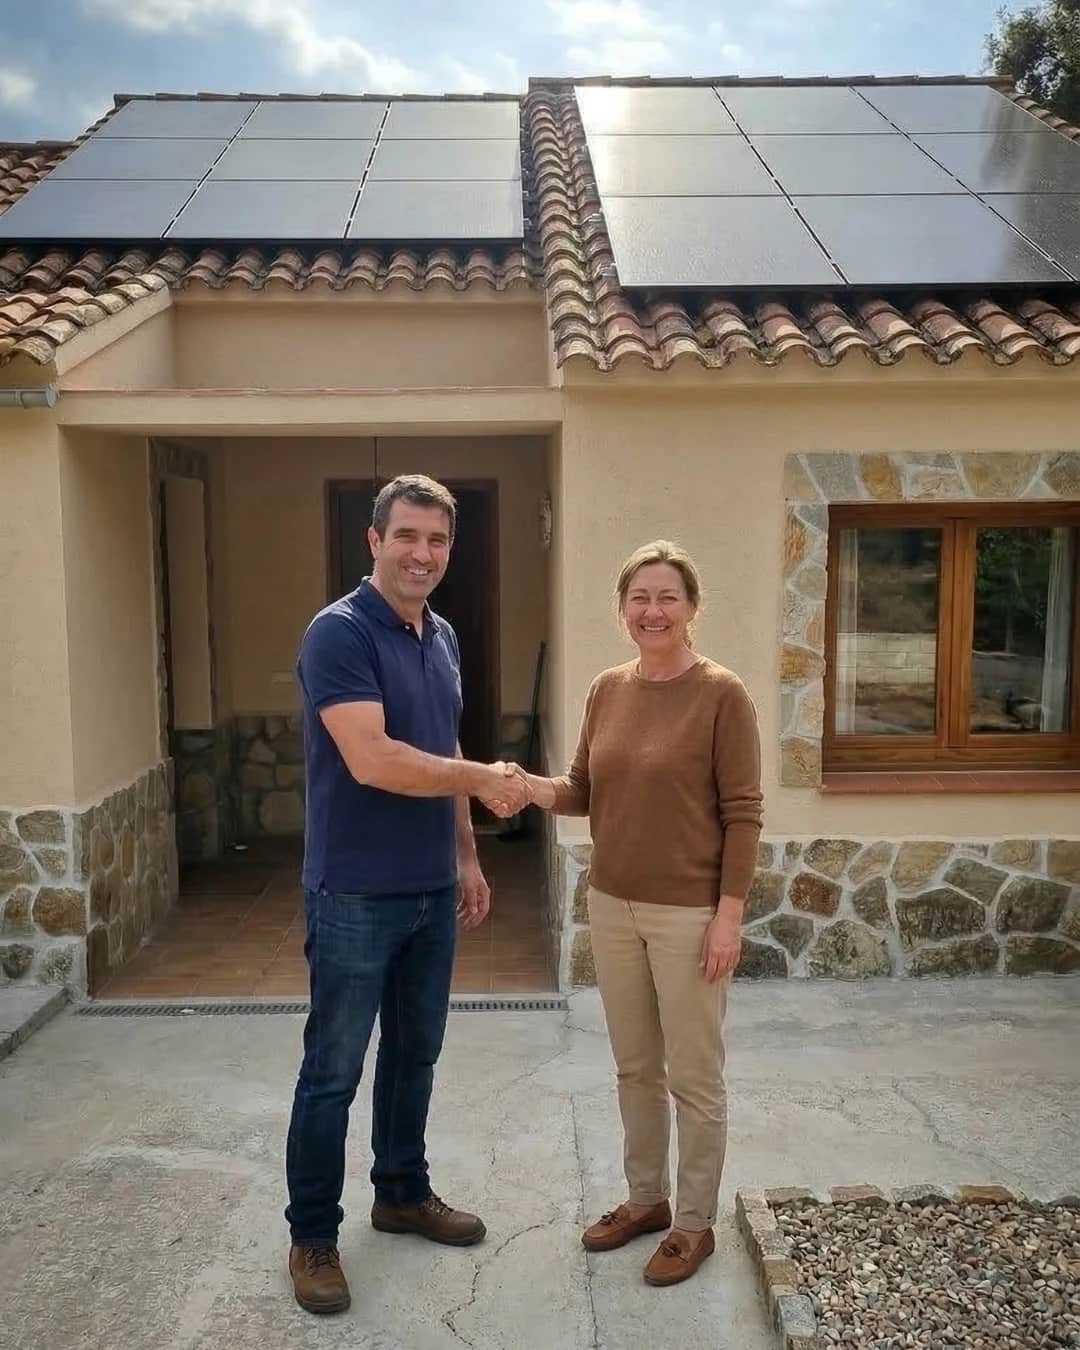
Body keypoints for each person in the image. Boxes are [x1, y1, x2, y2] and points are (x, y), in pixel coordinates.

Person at [285, 473, 528, 1316]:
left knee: (414, 1055)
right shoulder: (339, 635)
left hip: (429, 889)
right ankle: (313, 1234)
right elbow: (377, 759)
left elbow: (441, 739)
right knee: (332, 1072)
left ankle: (401, 1192)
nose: (422, 553)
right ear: (374, 541)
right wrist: (491, 779)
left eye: (437, 541)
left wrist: (466, 852)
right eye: (408, 537)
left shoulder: (444, 636)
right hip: (354, 893)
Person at [513, 540, 763, 1287]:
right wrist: (526, 786)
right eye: (639, 599)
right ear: (622, 609)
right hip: (613, 903)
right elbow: (582, 788)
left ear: (691, 609)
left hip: (690, 913)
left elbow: (744, 814)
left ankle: (693, 1224)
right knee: (633, 1068)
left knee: (694, 1074)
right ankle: (645, 1200)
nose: (652, 611)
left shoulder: (723, 694)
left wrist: (729, 916)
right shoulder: (606, 689)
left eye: (667, 598)